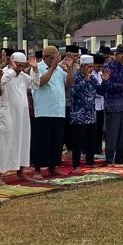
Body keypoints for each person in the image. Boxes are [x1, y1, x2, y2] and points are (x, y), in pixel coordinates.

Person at [0, 51, 35, 184]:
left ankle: (20, 171)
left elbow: (36, 84)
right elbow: (2, 83)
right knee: (4, 142)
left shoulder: (23, 75)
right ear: (11, 61)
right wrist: (13, 70)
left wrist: (36, 69)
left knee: (22, 141)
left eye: (23, 65)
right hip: (7, 113)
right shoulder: (4, 73)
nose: (20, 68)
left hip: (22, 114)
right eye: (18, 65)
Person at [30, 45, 72, 177]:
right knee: (41, 141)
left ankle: (53, 166)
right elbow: (40, 82)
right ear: (46, 57)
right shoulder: (37, 68)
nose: (56, 60)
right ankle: (37, 168)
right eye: (54, 58)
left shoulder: (59, 70)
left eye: (58, 58)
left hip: (58, 110)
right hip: (44, 111)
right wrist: (53, 67)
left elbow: (69, 83)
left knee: (56, 140)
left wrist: (70, 68)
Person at [68, 54, 102, 169]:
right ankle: (76, 165)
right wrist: (84, 82)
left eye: (92, 67)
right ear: (82, 66)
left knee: (91, 140)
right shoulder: (75, 77)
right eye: (88, 67)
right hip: (78, 115)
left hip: (91, 114)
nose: (91, 69)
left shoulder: (92, 78)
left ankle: (90, 162)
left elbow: (100, 91)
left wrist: (106, 81)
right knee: (77, 142)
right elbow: (73, 92)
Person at [101, 46, 123, 165]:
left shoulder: (122, 67)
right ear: (117, 55)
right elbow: (108, 86)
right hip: (113, 104)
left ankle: (120, 159)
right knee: (112, 134)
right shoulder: (108, 67)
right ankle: (109, 159)